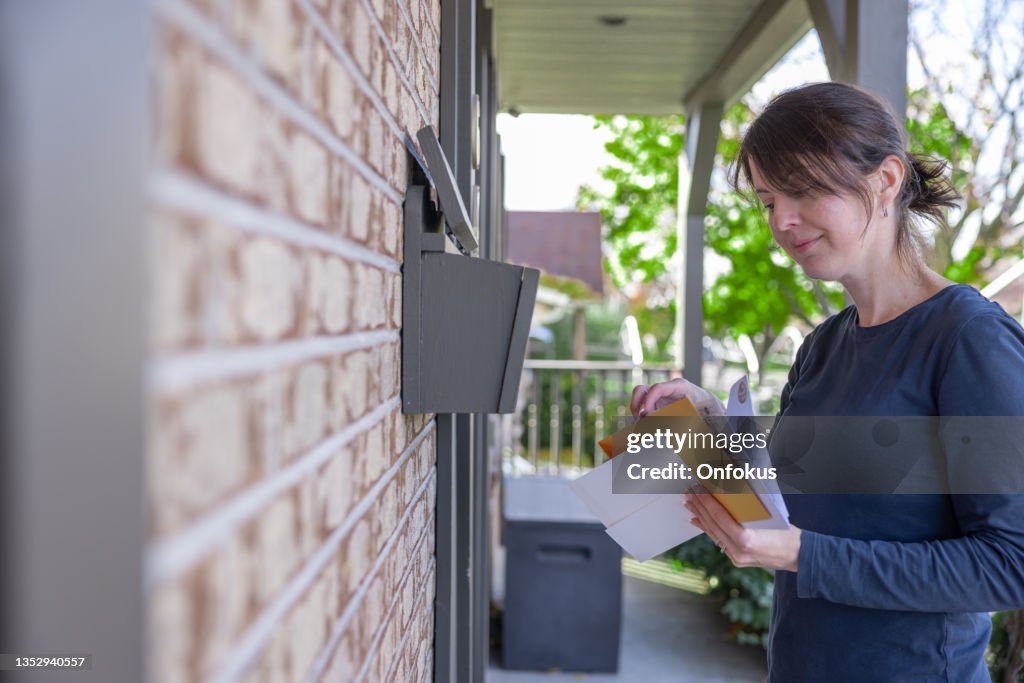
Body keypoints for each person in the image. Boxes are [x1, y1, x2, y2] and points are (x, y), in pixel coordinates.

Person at [630, 82, 1024, 682]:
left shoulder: (968, 338)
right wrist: (707, 422)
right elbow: (800, 500)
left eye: (805, 189)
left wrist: (801, 555)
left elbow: (1010, 563)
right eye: (767, 201)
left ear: (887, 180)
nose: (782, 221)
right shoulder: (823, 346)